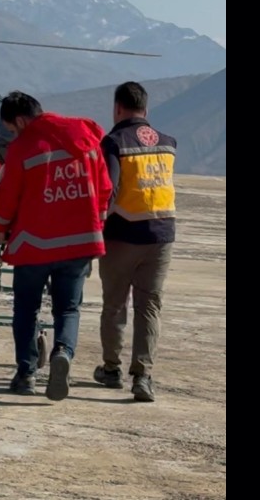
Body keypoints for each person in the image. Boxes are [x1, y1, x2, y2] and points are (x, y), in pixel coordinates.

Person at [0, 91, 112, 401]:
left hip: (34, 244)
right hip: (80, 242)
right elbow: (105, 190)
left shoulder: (23, 148)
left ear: (20, 120)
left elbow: (7, 198)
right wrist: (95, 224)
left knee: (26, 309)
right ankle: (63, 353)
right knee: (68, 309)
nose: (12, 135)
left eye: (11, 129)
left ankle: (26, 373)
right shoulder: (87, 140)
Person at [91, 81, 177, 403]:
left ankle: (111, 369)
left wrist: (95, 227)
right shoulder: (169, 143)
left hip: (123, 235)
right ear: (146, 109)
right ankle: (143, 377)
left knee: (115, 304)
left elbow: (108, 190)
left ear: (117, 108)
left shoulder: (113, 142)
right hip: (163, 235)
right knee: (149, 306)